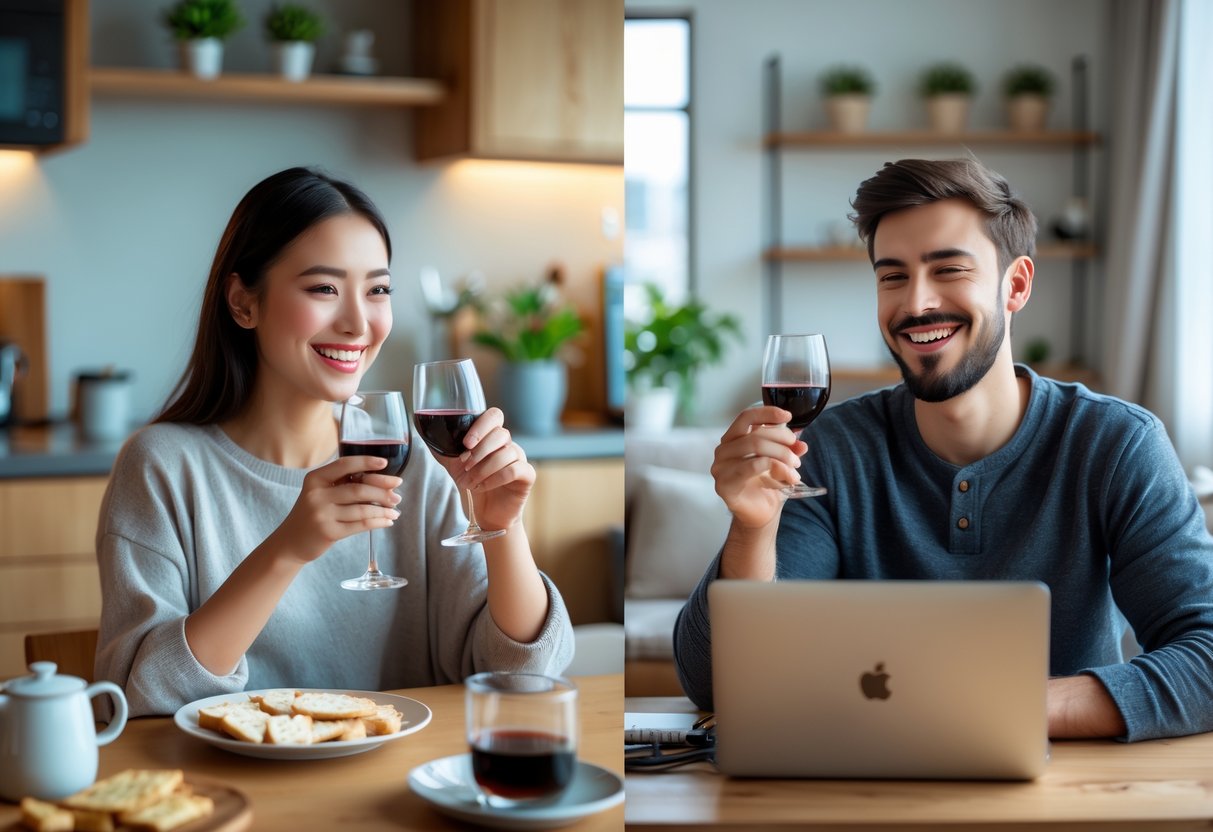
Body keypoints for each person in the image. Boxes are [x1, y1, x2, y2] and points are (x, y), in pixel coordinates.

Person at [673, 158, 1213, 742]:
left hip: (1065, 788)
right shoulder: (829, 450)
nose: (917, 303)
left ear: (1017, 285)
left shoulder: (1116, 444)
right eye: (892, 276)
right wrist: (752, 527)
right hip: (863, 788)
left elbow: (1206, 655)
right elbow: (718, 686)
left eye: (948, 269)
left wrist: (1000, 705)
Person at [95, 166, 573, 716]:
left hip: (403, 788)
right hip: (237, 793)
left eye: (378, 290)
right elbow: (136, 701)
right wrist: (287, 549)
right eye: (324, 288)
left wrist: (500, 526)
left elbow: (525, 682)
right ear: (242, 303)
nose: (357, 322)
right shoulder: (162, 467)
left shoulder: (421, 464)